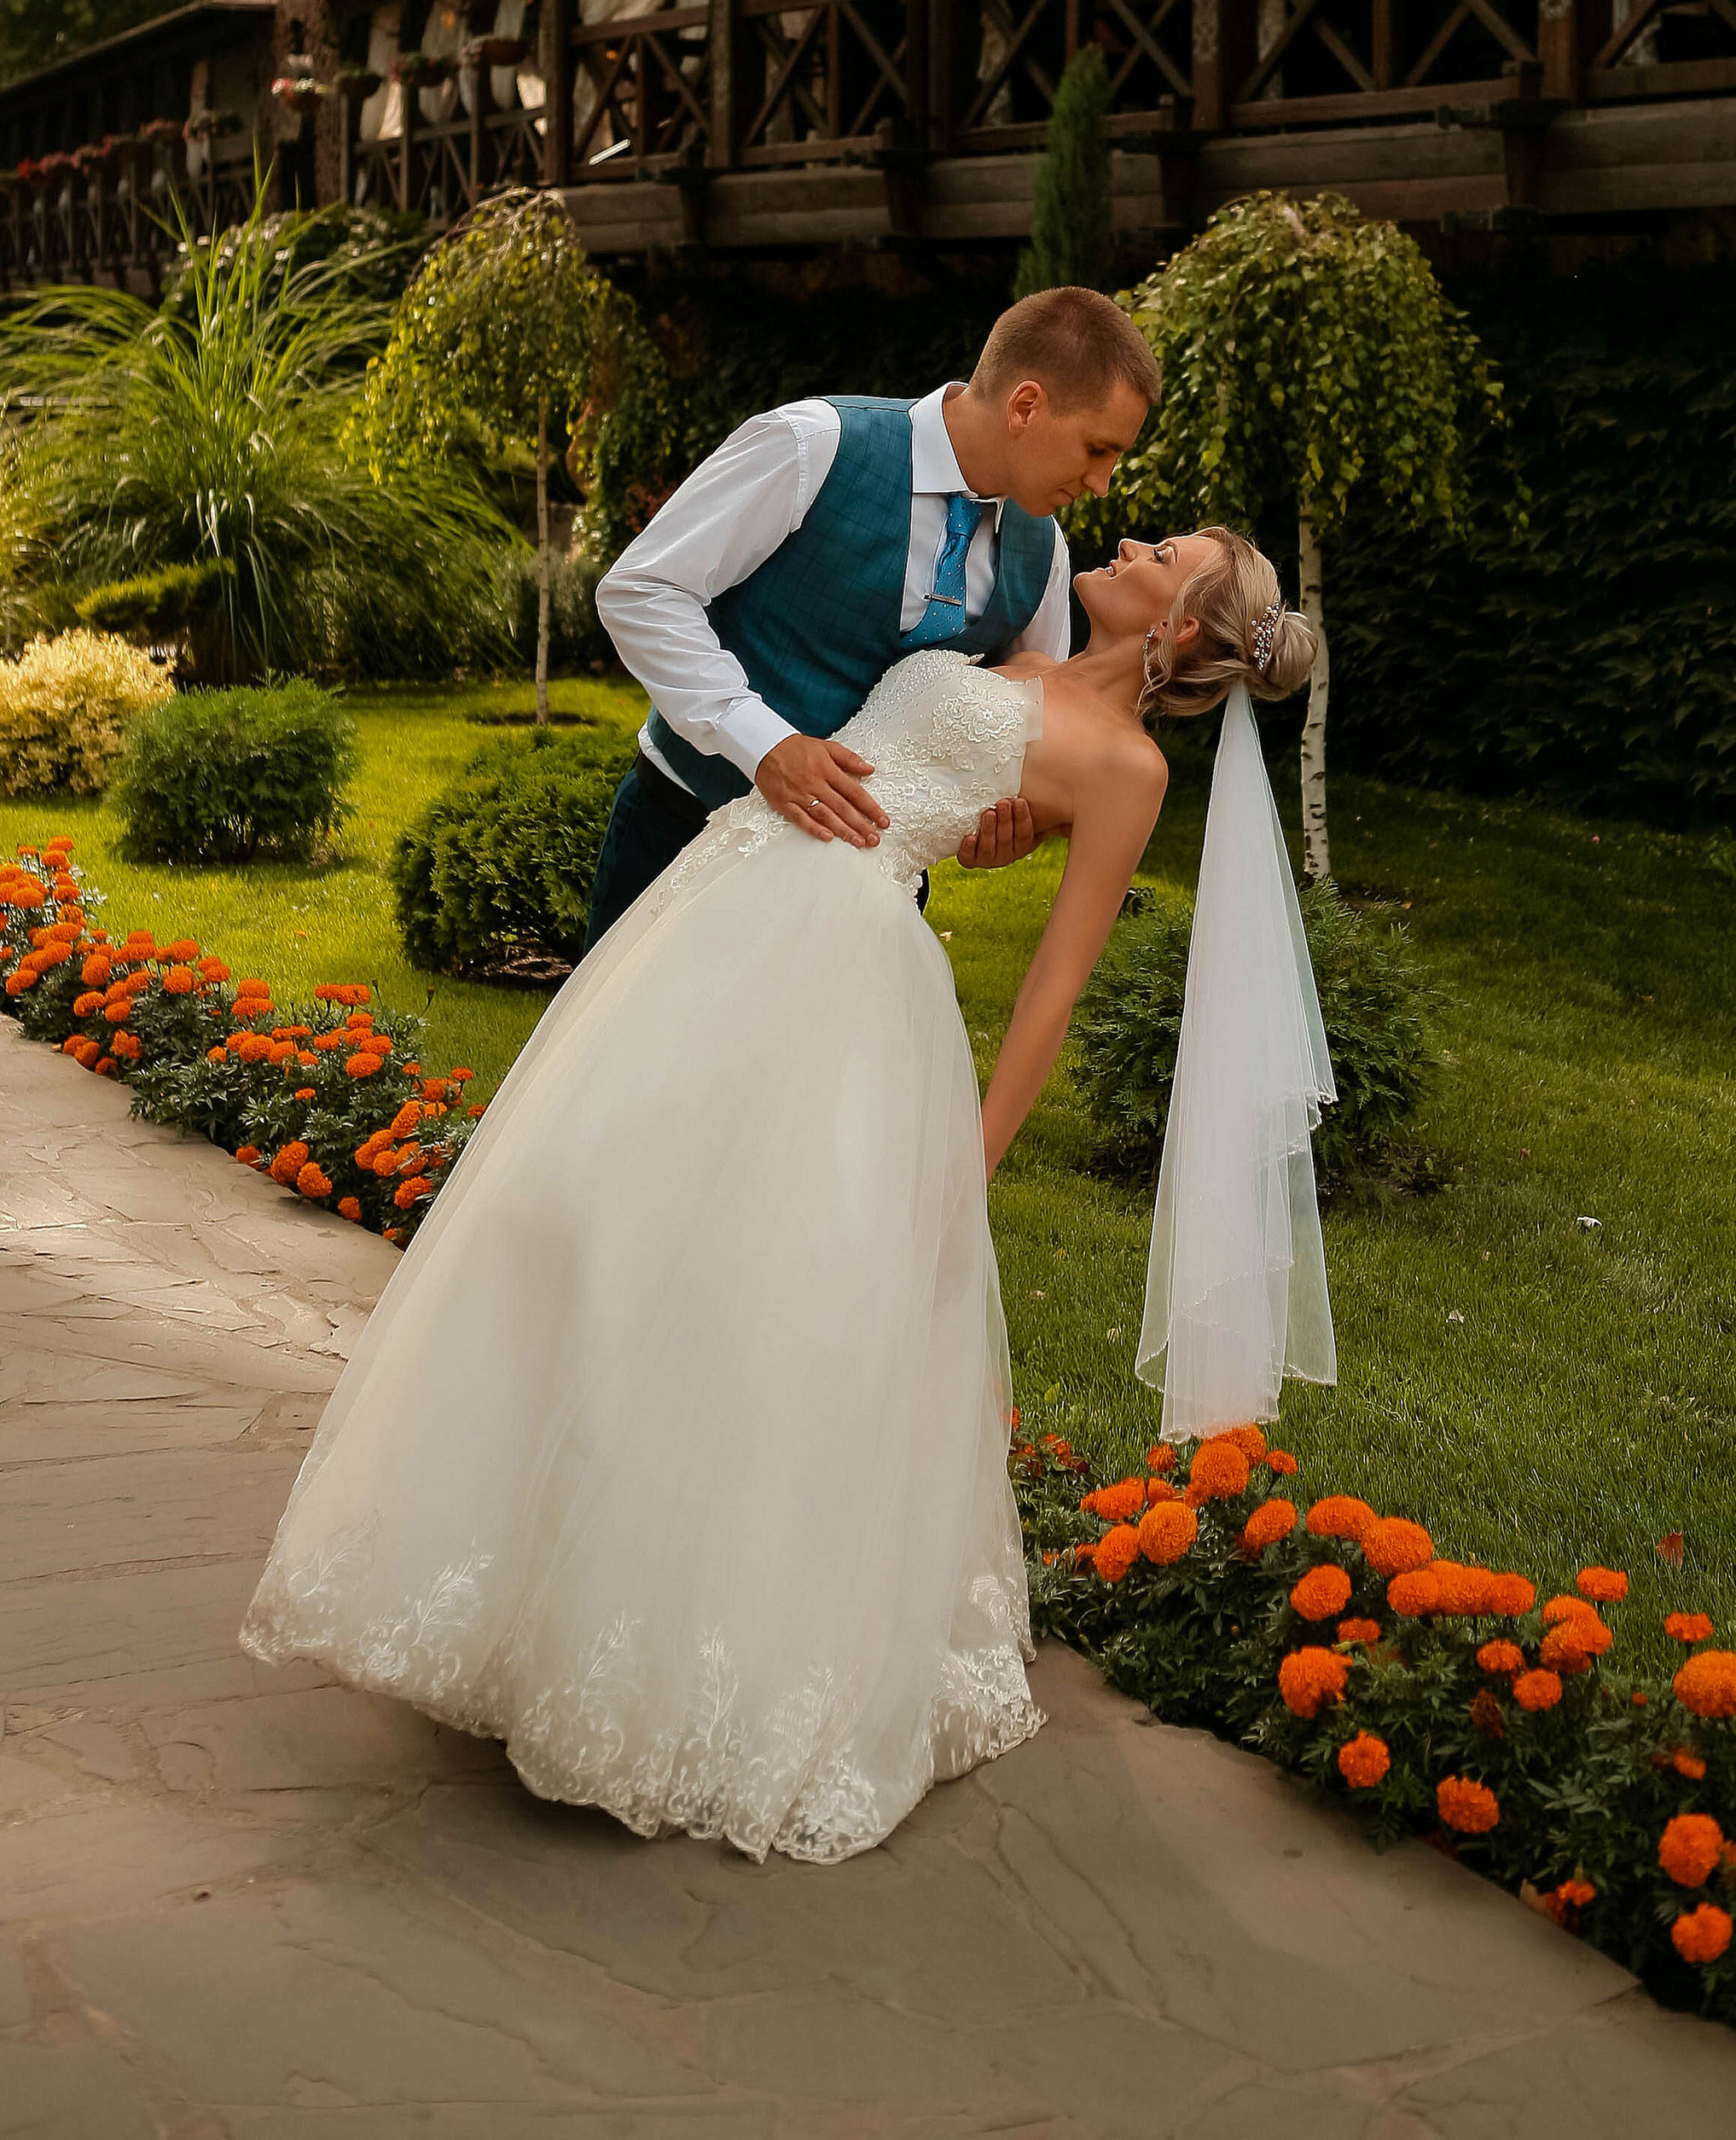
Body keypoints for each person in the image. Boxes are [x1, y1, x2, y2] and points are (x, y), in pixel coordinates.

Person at [239, 525, 1321, 1864]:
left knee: (757, 1292)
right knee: (577, 1204)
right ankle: (515, 1592)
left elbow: (1051, 988)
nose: (1132, 535)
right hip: (723, 899)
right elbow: (957, 779)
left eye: (1168, 549)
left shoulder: (1130, 769)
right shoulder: (1015, 635)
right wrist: (989, 818)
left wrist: (966, 1164)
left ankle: (668, 1655)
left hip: (847, 971)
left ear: (1182, 625)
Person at [580, 286, 1161, 946]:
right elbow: (642, 588)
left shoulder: (1045, 552)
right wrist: (762, 741)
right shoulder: (813, 444)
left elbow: (1027, 729)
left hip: (863, 901)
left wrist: (1003, 823)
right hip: (681, 833)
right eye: (1097, 449)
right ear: (1026, 405)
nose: (1103, 483)